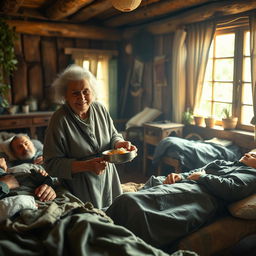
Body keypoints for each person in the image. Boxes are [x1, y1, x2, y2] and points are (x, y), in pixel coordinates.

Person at [106, 152, 256, 250]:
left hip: (199, 197)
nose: (250, 153)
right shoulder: (224, 163)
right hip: (186, 185)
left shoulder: (251, 176)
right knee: (138, 195)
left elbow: (231, 189)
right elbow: (194, 172)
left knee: (131, 203)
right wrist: (179, 177)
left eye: (255, 156)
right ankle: (103, 226)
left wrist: (202, 177)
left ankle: (106, 232)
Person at [43, 64, 137, 209]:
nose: (82, 98)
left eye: (86, 91)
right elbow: (51, 164)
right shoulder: (59, 119)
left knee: (115, 215)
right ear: (65, 96)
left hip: (108, 179)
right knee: (95, 223)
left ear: (92, 91)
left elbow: (113, 135)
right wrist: (86, 166)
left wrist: (119, 144)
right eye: (75, 93)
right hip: (79, 187)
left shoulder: (100, 109)